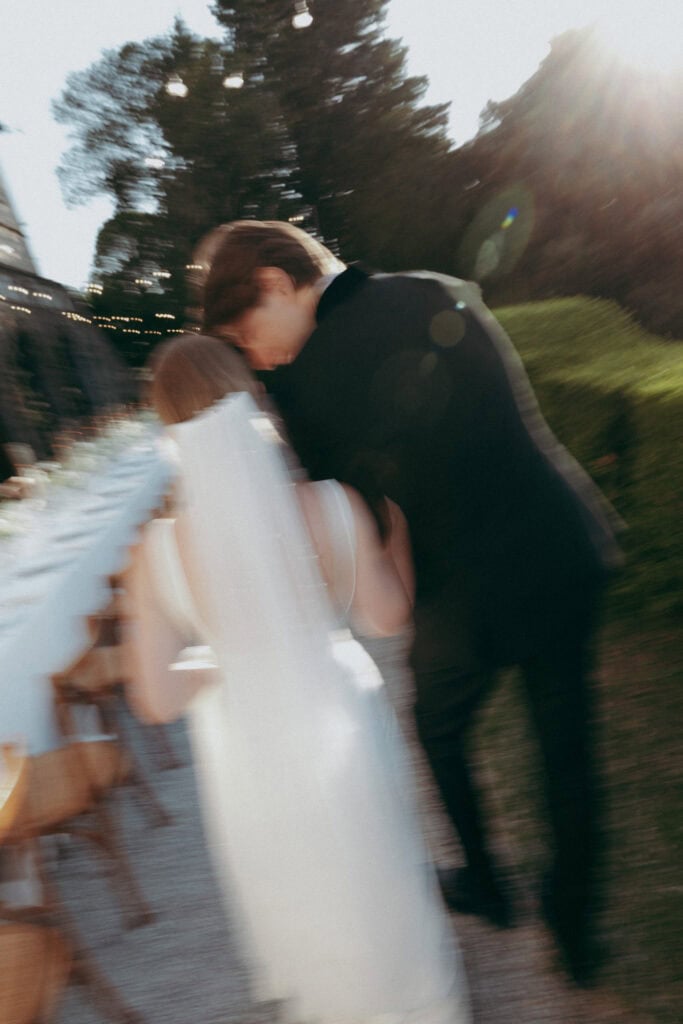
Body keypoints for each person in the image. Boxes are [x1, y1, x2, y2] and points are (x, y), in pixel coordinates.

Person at [198, 220, 624, 985]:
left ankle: (486, 883)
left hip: (461, 592)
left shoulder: (304, 381)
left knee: (437, 728)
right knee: (566, 749)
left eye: (247, 335)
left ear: (274, 284)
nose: (255, 357)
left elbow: (359, 514)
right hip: (555, 546)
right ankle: (576, 930)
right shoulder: (430, 289)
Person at [124, 334, 470, 1024]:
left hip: (248, 746)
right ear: (250, 397)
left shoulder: (155, 552)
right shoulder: (334, 502)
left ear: (168, 430)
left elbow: (156, 700)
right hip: (339, 713)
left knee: (298, 888)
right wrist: (395, 530)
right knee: (374, 863)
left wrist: (220, 664)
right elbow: (386, 617)